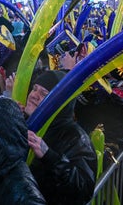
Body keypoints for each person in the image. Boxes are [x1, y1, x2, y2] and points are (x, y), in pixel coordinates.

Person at [23, 70, 96, 205]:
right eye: (34, 89)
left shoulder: (75, 137)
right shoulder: (22, 122)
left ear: (60, 105)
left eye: (44, 94)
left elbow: (83, 190)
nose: (34, 95)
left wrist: (49, 156)